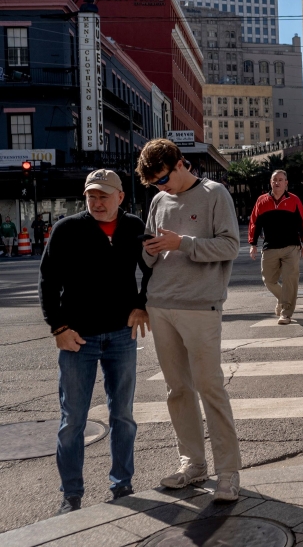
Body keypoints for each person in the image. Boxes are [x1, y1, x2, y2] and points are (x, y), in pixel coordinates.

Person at [137, 139, 243, 503]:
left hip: (200, 305)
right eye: (155, 183)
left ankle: (228, 472)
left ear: (181, 163)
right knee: (177, 390)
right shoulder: (157, 201)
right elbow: (152, 253)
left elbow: (230, 246)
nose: (161, 187)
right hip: (161, 304)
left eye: (164, 179)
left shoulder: (215, 193)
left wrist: (181, 243)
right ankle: (193, 465)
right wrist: (149, 251)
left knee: (210, 387)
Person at [38, 169, 150, 515]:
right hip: (78, 338)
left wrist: (142, 305)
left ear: (120, 197)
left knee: (123, 415)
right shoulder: (67, 230)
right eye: (91, 196)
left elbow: (156, 268)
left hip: (121, 335)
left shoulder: (134, 227)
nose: (97, 202)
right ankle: (71, 495)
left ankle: (123, 485)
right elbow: (47, 281)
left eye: (104, 196)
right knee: (73, 419)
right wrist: (58, 328)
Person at [248, 170, 303, 325]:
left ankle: (286, 313)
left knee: (290, 279)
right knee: (268, 280)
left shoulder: (294, 200)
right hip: (270, 247)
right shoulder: (262, 201)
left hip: (291, 247)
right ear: (270, 182)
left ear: (286, 183)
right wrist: (252, 244)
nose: (277, 182)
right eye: (274, 180)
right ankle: (283, 299)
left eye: (280, 180)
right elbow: (254, 223)